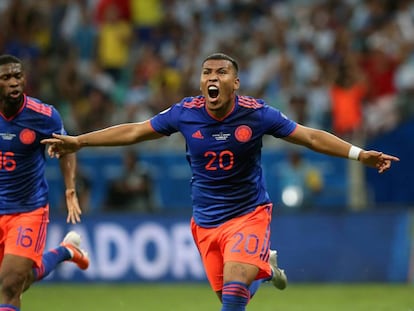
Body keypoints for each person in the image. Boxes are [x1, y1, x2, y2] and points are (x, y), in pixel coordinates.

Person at [42, 53, 399, 311]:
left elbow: (309, 136)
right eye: (207, 72)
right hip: (206, 223)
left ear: (235, 82)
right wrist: (80, 140)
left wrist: (358, 153)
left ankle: (255, 265)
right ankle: (265, 269)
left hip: (248, 214)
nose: (212, 78)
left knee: (232, 296)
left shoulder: (256, 114)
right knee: (233, 295)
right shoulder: (185, 112)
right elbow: (135, 131)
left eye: (221, 72)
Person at [0, 54, 90, 311]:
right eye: (6, 78)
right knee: (20, 281)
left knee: (9, 284)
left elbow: (68, 148)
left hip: (28, 210)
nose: (14, 82)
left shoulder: (43, 116)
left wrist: (70, 189)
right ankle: (65, 251)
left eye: (18, 76)